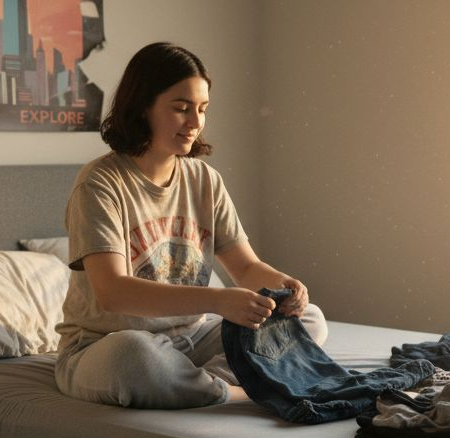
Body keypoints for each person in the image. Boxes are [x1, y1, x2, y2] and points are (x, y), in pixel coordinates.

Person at [54, 41, 327, 409]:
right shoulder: (100, 183)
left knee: (308, 320)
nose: (196, 123)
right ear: (142, 107)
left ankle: (206, 384)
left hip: (194, 338)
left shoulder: (204, 180)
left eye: (202, 109)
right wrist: (217, 300)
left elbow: (245, 267)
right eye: (182, 109)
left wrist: (285, 286)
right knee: (134, 358)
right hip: (107, 344)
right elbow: (113, 292)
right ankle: (239, 386)